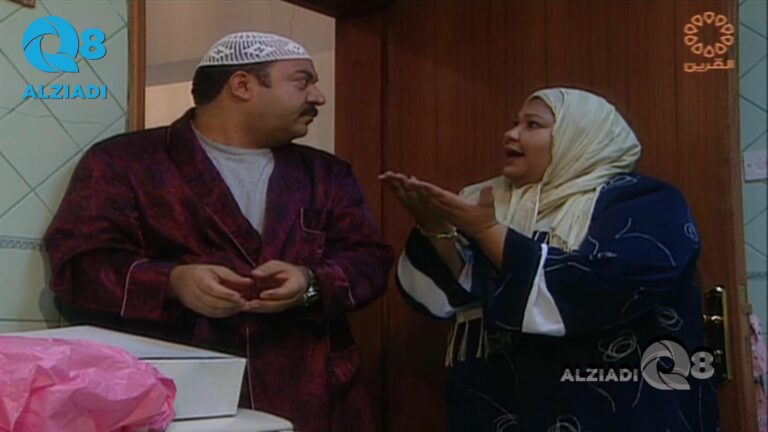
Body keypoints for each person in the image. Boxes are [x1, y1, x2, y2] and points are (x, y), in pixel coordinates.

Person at [44, 32, 393, 432]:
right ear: (242, 85)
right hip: (179, 396)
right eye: (303, 82)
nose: (318, 97)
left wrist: (309, 282)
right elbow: (78, 264)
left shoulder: (327, 175)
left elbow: (369, 259)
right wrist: (172, 283)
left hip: (310, 392)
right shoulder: (125, 162)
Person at [382, 87, 719, 431]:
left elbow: (604, 287)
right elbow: (459, 294)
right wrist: (434, 227)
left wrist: (487, 231)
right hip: (498, 406)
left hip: (615, 405)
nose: (510, 133)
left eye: (532, 125)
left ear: (580, 137)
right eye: (514, 123)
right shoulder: (483, 199)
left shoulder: (645, 202)